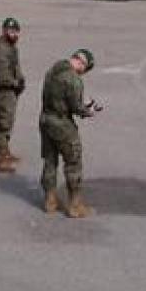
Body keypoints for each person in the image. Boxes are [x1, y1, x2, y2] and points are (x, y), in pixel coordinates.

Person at [38, 49, 99, 218]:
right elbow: (76, 108)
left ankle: (49, 200)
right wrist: (89, 111)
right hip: (62, 125)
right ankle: (75, 205)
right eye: (84, 69)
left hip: (45, 120)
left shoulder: (53, 70)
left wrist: (79, 102)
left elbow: (58, 96)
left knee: (50, 160)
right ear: (82, 64)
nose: (83, 73)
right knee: (73, 162)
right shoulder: (74, 79)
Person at [0, 17, 25, 173]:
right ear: (4, 31)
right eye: (10, 31)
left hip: (11, 89)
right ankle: (0, 158)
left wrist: (21, 79)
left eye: (16, 31)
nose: (14, 34)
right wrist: (16, 83)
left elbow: (15, 67)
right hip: (4, 90)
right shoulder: (1, 50)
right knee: (4, 124)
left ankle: (5, 152)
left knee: (8, 122)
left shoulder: (11, 46)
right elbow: (2, 76)